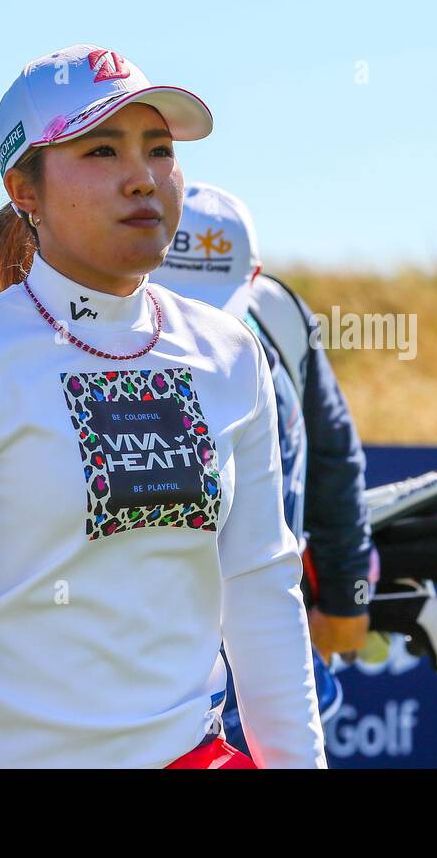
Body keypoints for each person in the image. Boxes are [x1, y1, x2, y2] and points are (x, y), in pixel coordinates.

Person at [0, 44, 326, 769]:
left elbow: (261, 588)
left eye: (159, 149)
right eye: (101, 150)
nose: (142, 178)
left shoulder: (229, 352)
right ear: (24, 188)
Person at [151, 182, 374, 751]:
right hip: (153, 664)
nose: (194, 320)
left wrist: (346, 594)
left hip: (265, 634)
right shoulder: (96, 337)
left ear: (253, 280)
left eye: (212, 299)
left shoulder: (281, 317)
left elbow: (333, 456)